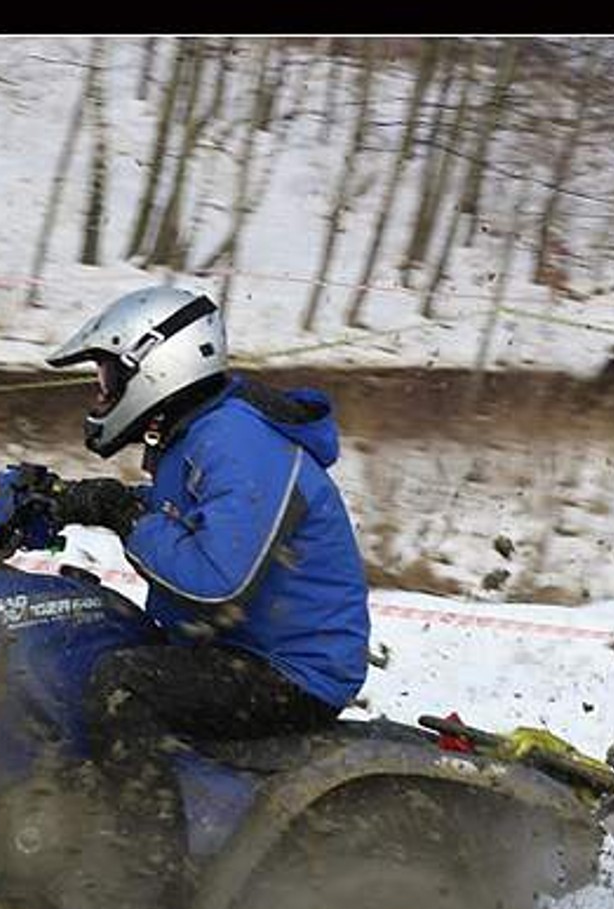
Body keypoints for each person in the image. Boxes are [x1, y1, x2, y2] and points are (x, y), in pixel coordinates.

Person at [43, 284, 372, 870]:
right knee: (82, 628)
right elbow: (192, 518)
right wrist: (81, 502)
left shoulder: (239, 441)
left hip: (291, 671)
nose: (100, 394)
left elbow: (217, 579)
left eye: (107, 377)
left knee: (124, 686)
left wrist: (124, 515)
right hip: (234, 644)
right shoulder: (202, 431)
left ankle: (150, 874)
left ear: (154, 364)